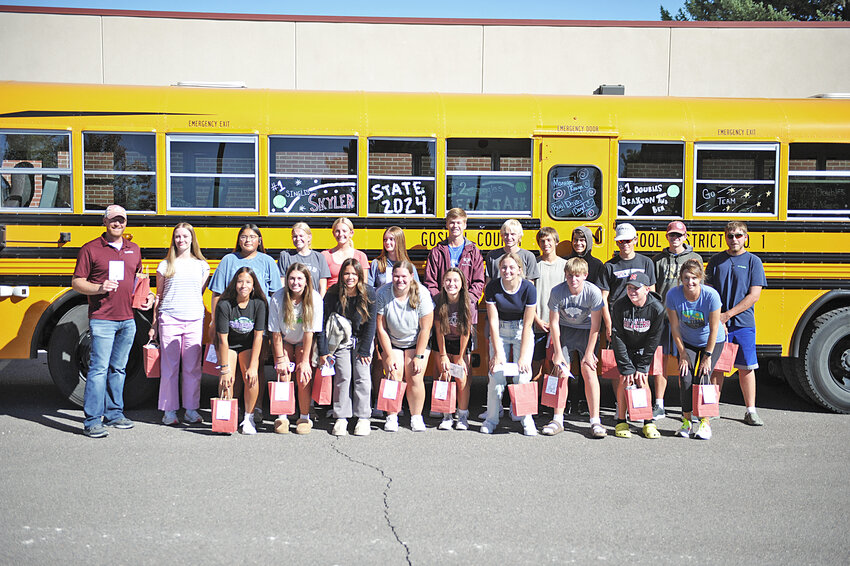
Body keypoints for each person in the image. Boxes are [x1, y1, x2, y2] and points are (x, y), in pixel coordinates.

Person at [72, 205, 154, 438]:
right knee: (98, 369)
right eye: (113, 220)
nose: (118, 224)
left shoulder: (134, 249)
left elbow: (139, 279)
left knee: (118, 369)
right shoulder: (91, 249)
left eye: (122, 220)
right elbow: (77, 282)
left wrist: (148, 296)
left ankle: (115, 413)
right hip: (102, 320)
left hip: (128, 319)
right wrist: (99, 287)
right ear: (105, 222)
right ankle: (92, 420)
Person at [208, 224, 282, 426]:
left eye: (252, 236)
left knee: (254, 367)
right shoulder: (228, 260)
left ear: (259, 240)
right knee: (230, 370)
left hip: (259, 323)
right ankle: (231, 410)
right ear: (238, 239)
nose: (248, 240)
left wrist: (274, 325)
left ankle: (255, 408)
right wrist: (215, 320)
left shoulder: (267, 261)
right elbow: (216, 293)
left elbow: (276, 295)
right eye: (243, 236)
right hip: (229, 324)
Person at [706, 221, 767, 426]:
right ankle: (712, 407)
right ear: (725, 237)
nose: (734, 239)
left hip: (743, 324)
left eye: (739, 235)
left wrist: (728, 315)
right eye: (730, 235)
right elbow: (709, 291)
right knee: (717, 368)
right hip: (719, 323)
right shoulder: (716, 261)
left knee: (746, 367)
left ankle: (751, 411)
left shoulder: (753, 261)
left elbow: (754, 295)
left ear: (746, 237)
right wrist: (718, 317)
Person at [149, 223, 210, 426]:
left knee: (193, 368)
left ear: (192, 238)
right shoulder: (165, 265)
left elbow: (198, 293)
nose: (181, 240)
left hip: (193, 318)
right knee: (169, 367)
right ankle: (169, 410)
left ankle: (191, 410)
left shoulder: (202, 265)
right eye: (177, 236)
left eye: (185, 236)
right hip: (170, 318)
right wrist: (154, 323)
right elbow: (159, 295)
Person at [666, 259, 726, 440]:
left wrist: (707, 356)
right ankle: (686, 421)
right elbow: (675, 327)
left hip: (712, 341)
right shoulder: (673, 295)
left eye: (694, 278)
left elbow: (715, 328)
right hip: (688, 342)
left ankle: (705, 422)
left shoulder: (711, 295)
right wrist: (682, 352)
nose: (690, 282)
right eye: (686, 278)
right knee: (685, 377)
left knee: (703, 376)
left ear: (700, 278)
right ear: (681, 279)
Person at [547, 257, 606, 438]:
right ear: (565, 275)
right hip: (565, 330)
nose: (574, 280)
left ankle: (595, 421)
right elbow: (554, 322)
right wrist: (558, 352)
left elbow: (596, 325)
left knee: (588, 370)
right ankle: (557, 419)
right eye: (570, 275)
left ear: (585, 276)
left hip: (586, 331)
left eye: (578, 276)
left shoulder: (593, 292)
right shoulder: (557, 291)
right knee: (561, 371)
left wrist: (589, 353)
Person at [318, 258, 377, 437]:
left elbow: (371, 323)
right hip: (340, 341)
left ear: (359, 275)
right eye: (346, 273)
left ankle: (363, 417)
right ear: (341, 275)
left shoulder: (369, 293)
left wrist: (366, 348)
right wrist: (323, 350)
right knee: (343, 376)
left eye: (354, 273)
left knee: (362, 377)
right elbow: (322, 322)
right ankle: (341, 417)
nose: (350, 277)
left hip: (362, 341)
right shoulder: (332, 293)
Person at [481, 253, 538, 436]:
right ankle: (491, 420)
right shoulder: (492, 288)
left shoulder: (529, 288)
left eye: (512, 267)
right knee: (496, 376)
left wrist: (522, 357)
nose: (507, 271)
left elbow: (529, 324)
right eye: (504, 267)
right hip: (500, 331)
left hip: (522, 331)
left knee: (522, 377)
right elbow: (493, 321)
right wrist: (497, 353)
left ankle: (526, 419)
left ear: (519, 270)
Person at [651, 220, 703, 420]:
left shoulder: (694, 258)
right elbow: (653, 291)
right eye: (672, 235)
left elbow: (699, 288)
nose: (675, 239)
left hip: (687, 319)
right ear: (667, 236)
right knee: (661, 361)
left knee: (686, 362)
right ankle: (659, 404)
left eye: (679, 235)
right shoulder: (658, 260)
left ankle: (688, 406)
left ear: (685, 236)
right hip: (663, 318)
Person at [375, 260, 433, 432]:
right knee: (394, 374)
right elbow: (381, 327)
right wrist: (389, 355)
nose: (400, 280)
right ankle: (392, 416)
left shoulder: (422, 293)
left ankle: (416, 416)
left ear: (411, 277)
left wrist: (419, 356)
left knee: (415, 376)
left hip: (417, 342)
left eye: (403, 277)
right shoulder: (383, 293)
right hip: (392, 341)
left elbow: (425, 328)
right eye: (396, 276)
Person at [269, 263, 323, 435]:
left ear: (307, 281)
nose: (295, 282)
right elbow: (275, 332)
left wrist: (306, 361)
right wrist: (280, 359)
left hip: (303, 341)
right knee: (283, 373)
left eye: (300, 278)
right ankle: (283, 415)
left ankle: (304, 416)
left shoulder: (314, 298)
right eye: (292, 278)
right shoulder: (277, 298)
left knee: (303, 376)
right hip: (284, 339)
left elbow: (309, 332)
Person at [610, 272, 666, 439]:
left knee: (642, 380)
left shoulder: (657, 308)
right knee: (624, 379)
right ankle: (621, 420)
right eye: (629, 287)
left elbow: (653, 340)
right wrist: (626, 367)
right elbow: (617, 336)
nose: (632, 291)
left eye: (636, 288)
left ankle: (647, 422)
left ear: (647, 289)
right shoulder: (619, 306)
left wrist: (642, 366)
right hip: (625, 346)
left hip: (644, 348)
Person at [215, 267, 268, 435]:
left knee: (251, 377)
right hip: (229, 345)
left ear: (253, 285)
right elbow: (223, 339)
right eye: (240, 281)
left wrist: (253, 367)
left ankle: (248, 418)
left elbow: (258, 337)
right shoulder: (224, 305)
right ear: (234, 283)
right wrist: (224, 369)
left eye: (248, 282)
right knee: (227, 379)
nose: (243, 285)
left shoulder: (259, 304)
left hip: (248, 345)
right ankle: (226, 418)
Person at [433, 268, 473, 431]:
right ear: (443, 284)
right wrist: (443, 355)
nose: (452, 284)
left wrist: (461, 357)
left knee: (461, 377)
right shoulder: (438, 300)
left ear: (462, 284)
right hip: (443, 342)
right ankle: (447, 415)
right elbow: (439, 329)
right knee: (444, 374)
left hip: (460, 343)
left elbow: (466, 331)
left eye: (456, 280)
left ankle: (462, 415)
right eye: (448, 280)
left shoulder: (467, 302)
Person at [532, 227, 566, 380]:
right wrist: (537, 320)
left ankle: (552, 401)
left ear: (556, 242)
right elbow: (529, 297)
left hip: (558, 324)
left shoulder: (565, 266)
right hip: (538, 323)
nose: (545, 244)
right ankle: (535, 402)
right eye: (542, 241)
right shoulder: (534, 265)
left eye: (549, 240)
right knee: (535, 365)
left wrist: (559, 322)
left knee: (555, 364)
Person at [278, 222, 330, 296]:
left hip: (312, 302)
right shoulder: (285, 256)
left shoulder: (319, 257)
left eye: (301, 236)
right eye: (295, 236)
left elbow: (322, 287)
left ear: (309, 237)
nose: (298, 239)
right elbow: (282, 283)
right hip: (292, 302)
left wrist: (320, 303)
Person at [484, 219, 540, 283]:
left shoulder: (528, 257)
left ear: (519, 236)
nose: (509, 237)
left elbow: (530, 285)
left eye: (513, 234)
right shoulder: (492, 256)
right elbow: (488, 284)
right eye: (506, 234)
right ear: (501, 236)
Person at [322, 217, 369, 287]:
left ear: (351, 233)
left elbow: (364, 284)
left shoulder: (361, 256)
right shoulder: (325, 255)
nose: (340, 234)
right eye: (337, 231)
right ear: (333, 233)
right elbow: (322, 285)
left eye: (344, 231)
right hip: (331, 295)